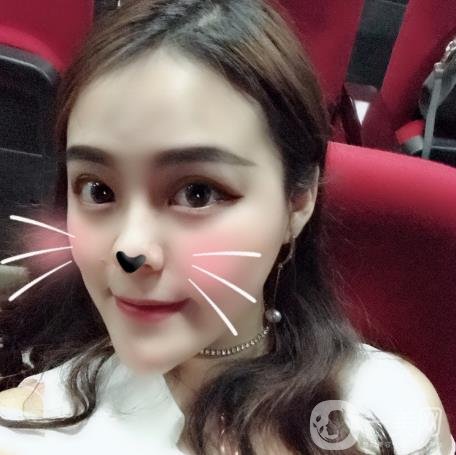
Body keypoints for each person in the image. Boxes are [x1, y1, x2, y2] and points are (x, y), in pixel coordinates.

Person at [0, 0, 454, 454]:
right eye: (98, 190)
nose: (129, 249)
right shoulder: (27, 435)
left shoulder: (392, 414)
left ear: (298, 200)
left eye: (198, 193)